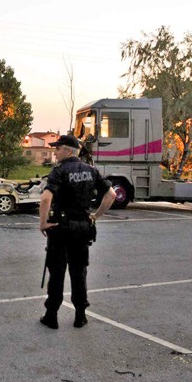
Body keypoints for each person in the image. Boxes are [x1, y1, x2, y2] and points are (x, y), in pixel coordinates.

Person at [38, 134, 116, 330]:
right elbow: (111, 194)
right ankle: (80, 315)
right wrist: (95, 216)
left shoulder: (59, 171)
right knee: (79, 272)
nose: (55, 152)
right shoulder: (91, 171)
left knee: (57, 273)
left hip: (61, 228)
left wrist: (43, 223)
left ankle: (51, 316)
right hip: (82, 228)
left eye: (58, 148)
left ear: (68, 151)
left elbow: (46, 199)